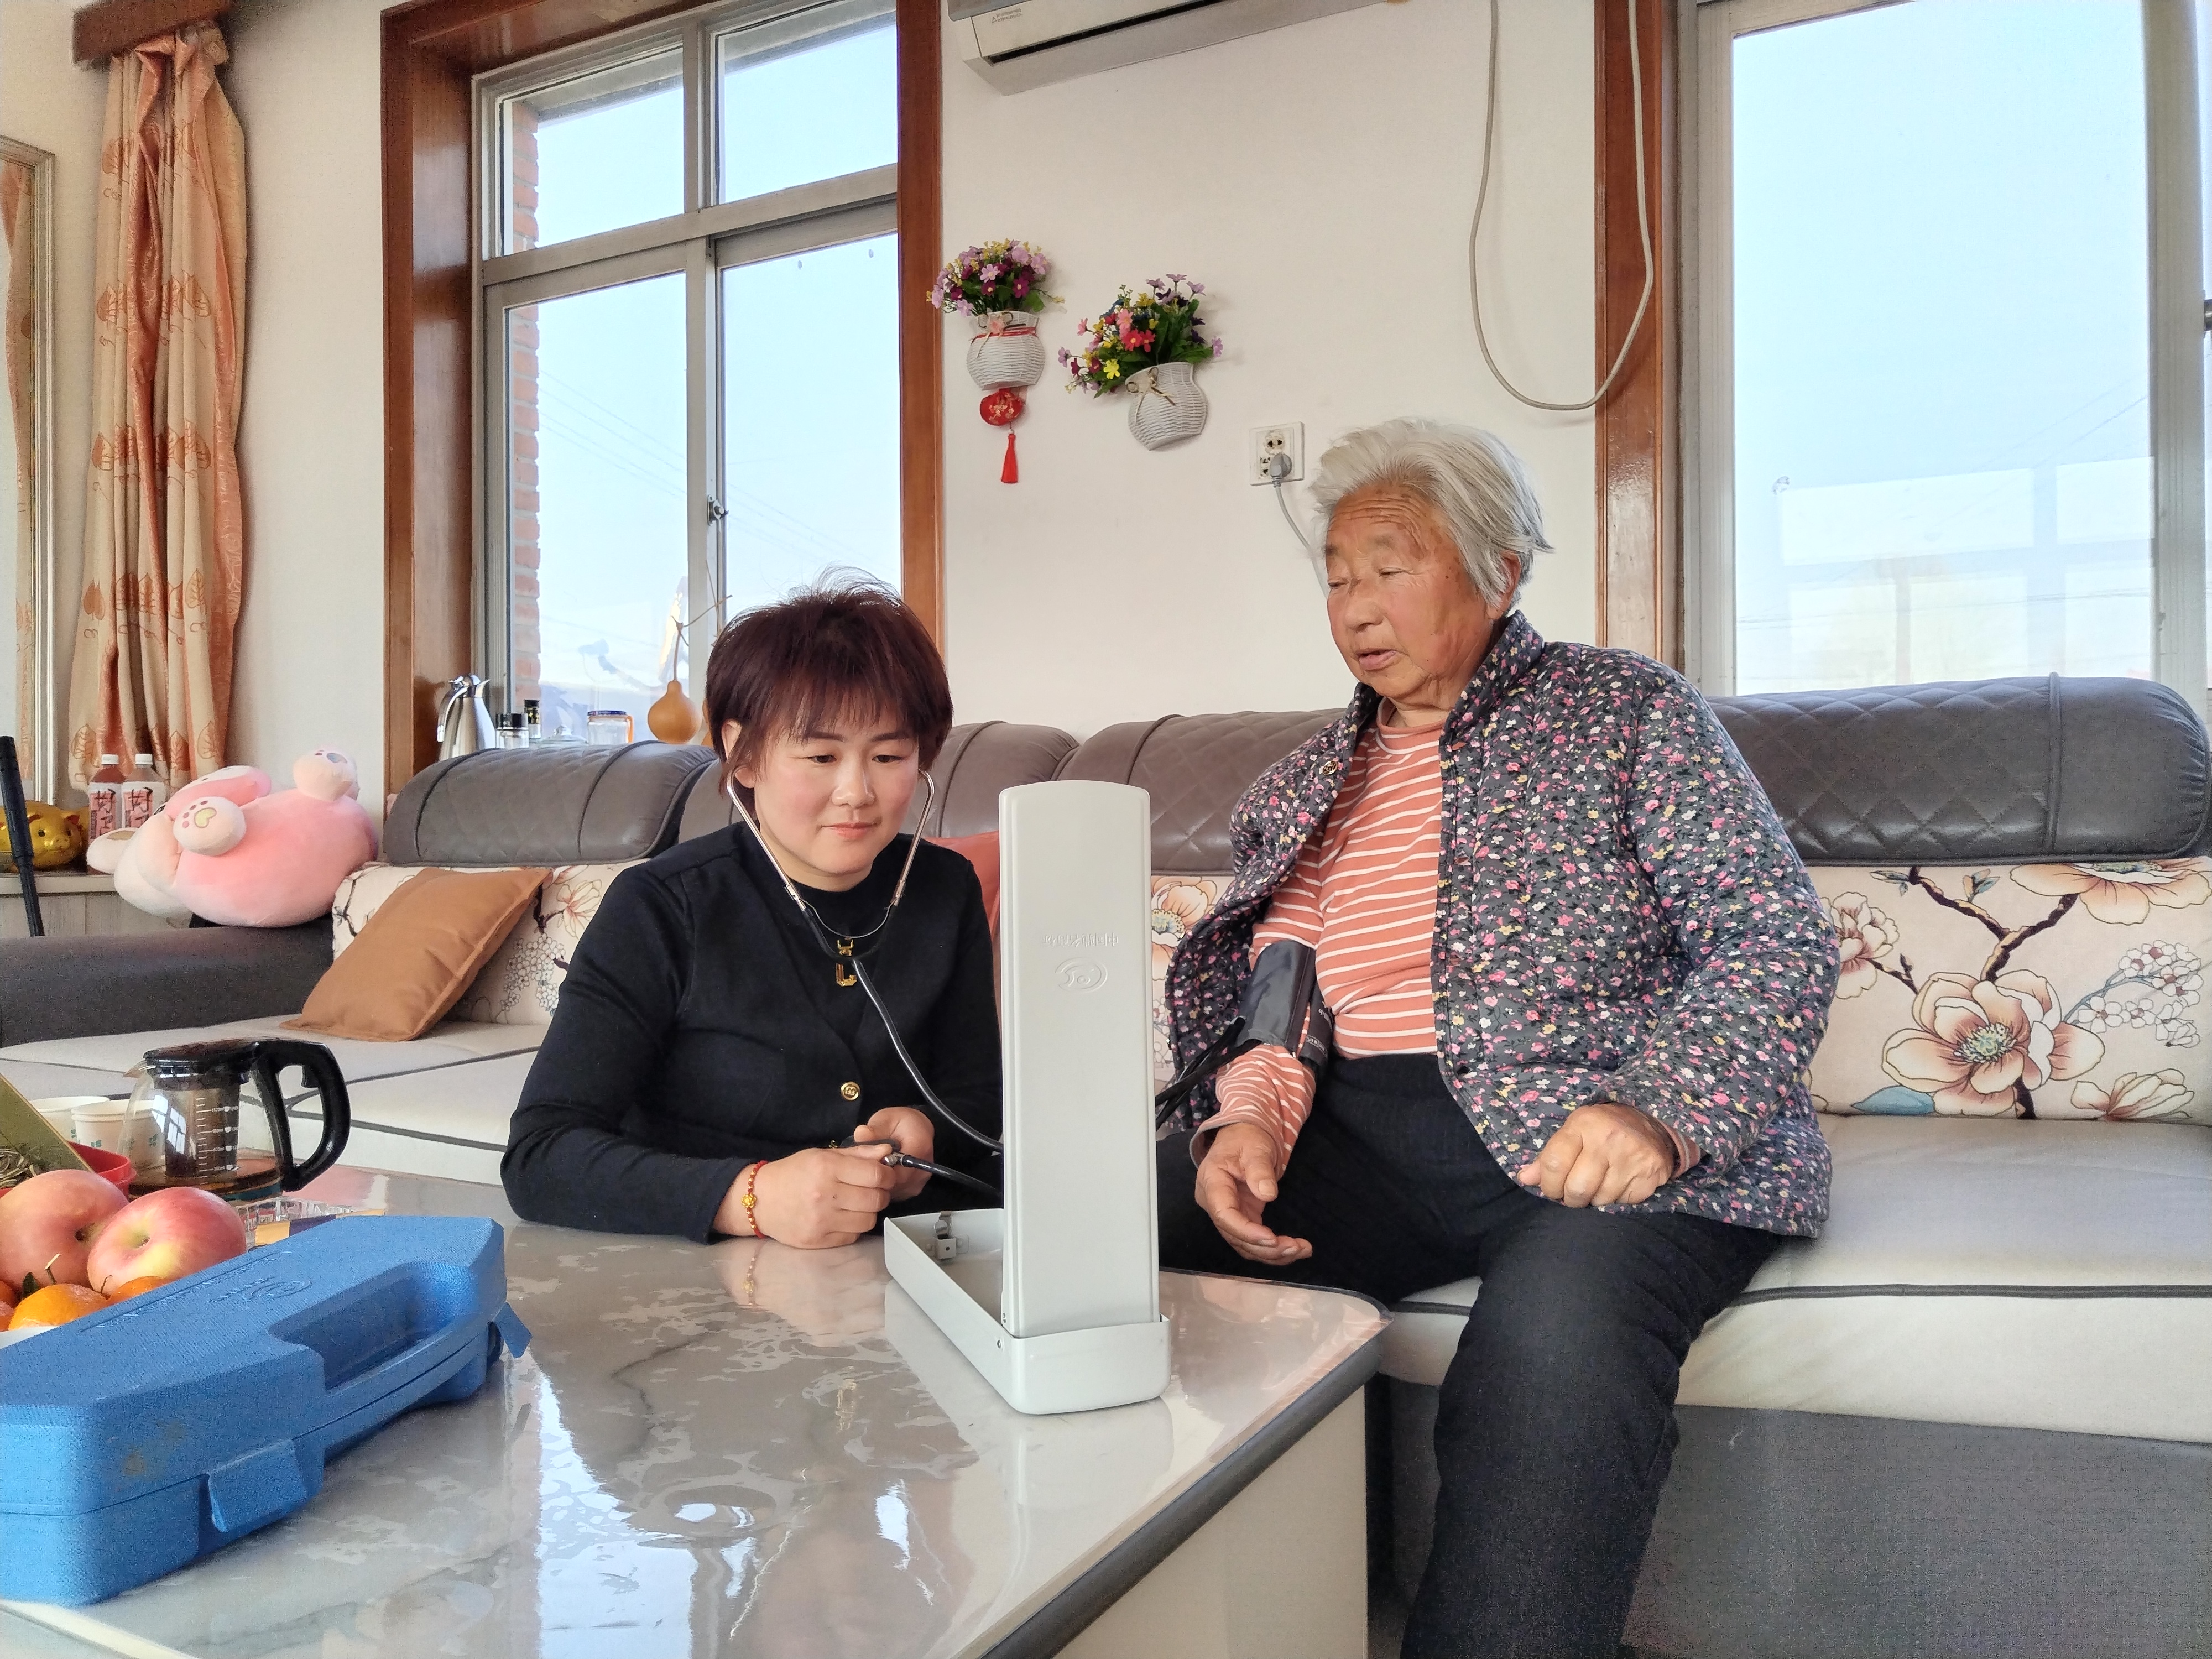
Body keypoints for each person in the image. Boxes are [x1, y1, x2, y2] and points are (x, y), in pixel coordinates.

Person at [1159, 418, 1838, 1658]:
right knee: (1116, 1233)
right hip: (1364, 1135)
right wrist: (1247, 1120)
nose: (1356, 606)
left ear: (1499, 573)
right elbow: (1283, 988)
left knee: (1555, 1351)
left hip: (1593, 1132)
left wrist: (1659, 1111)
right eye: (1336, 576)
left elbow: (1770, 934)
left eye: (1390, 567)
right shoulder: (1308, 781)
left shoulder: (1626, 710)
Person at [504, 580, 1000, 1246]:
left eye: (889, 756)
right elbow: (541, 1156)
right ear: (743, 754)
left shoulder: (945, 889)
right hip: (711, 1277)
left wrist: (926, 1131)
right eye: (821, 756)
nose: (856, 792)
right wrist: (749, 1197)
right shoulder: (660, 906)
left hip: (900, 1264)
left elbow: (980, 1103)